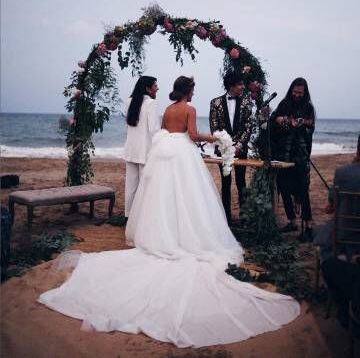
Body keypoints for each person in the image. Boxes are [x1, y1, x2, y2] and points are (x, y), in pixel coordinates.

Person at [38, 76, 299, 348]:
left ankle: (167, 233)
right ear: (188, 91)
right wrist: (219, 137)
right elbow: (193, 136)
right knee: (189, 197)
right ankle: (185, 235)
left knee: (166, 197)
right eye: (194, 89)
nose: (195, 92)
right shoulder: (188, 109)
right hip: (182, 154)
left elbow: (165, 131)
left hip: (166, 153)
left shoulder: (169, 109)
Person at [271, 77, 315, 242]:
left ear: (304, 93)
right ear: (291, 90)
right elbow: (274, 121)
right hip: (284, 154)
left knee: (303, 191)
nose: (297, 95)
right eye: (295, 92)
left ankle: (309, 226)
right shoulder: (284, 103)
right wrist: (280, 120)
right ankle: (292, 221)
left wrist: (301, 125)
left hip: (300, 155)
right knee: (282, 186)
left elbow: (310, 130)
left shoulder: (308, 108)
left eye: (300, 93)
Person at [209, 71, 253, 223]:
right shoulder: (215, 103)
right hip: (223, 150)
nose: (243, 87)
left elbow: (249, 126)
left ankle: (245, 217)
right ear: (231, 86)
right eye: (240, 84)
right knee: (225, 183)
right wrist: (227, 146)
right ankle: (226, 218)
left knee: (241, 182)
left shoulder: (247, 102)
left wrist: (239, 145)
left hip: (241, 150)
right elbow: (214, 128)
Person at [313, 134, 360, 265]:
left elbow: (332, 203)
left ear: (358, 149)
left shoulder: (343, 173)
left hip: (346, 234)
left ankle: (341, 262)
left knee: (320, 233)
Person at [122, 76, 160, 218]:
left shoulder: (128, 101)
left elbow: (128, 126)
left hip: (131, 149)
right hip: (146, 151)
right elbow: (154, 130)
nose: (157, 88)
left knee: (130, 186)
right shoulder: (151, 103)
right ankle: (143, 218)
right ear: (148, 88)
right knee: (146, 187)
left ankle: (129, 216)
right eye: (155, 86)